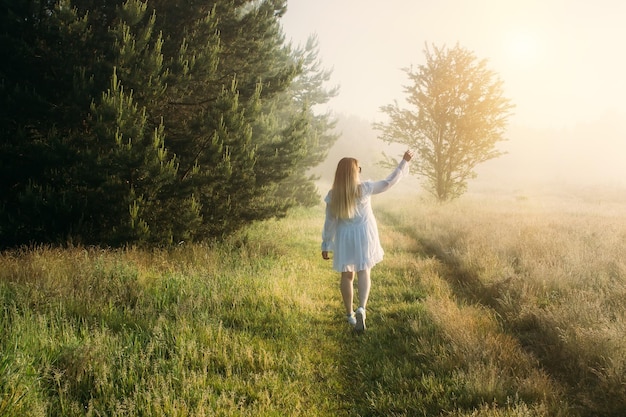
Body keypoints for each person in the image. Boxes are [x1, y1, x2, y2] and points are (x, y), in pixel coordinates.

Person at [321, 150, 413, 331]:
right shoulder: (364, 188)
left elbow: (329, 221)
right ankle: (361, 307)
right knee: (364, 271)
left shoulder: (334, 195)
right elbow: (388, 182)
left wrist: (326, 243)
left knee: (347, 276)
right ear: (354, 172)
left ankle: (349, 315)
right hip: (364, 234)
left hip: (345, 236)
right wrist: (403, 162)